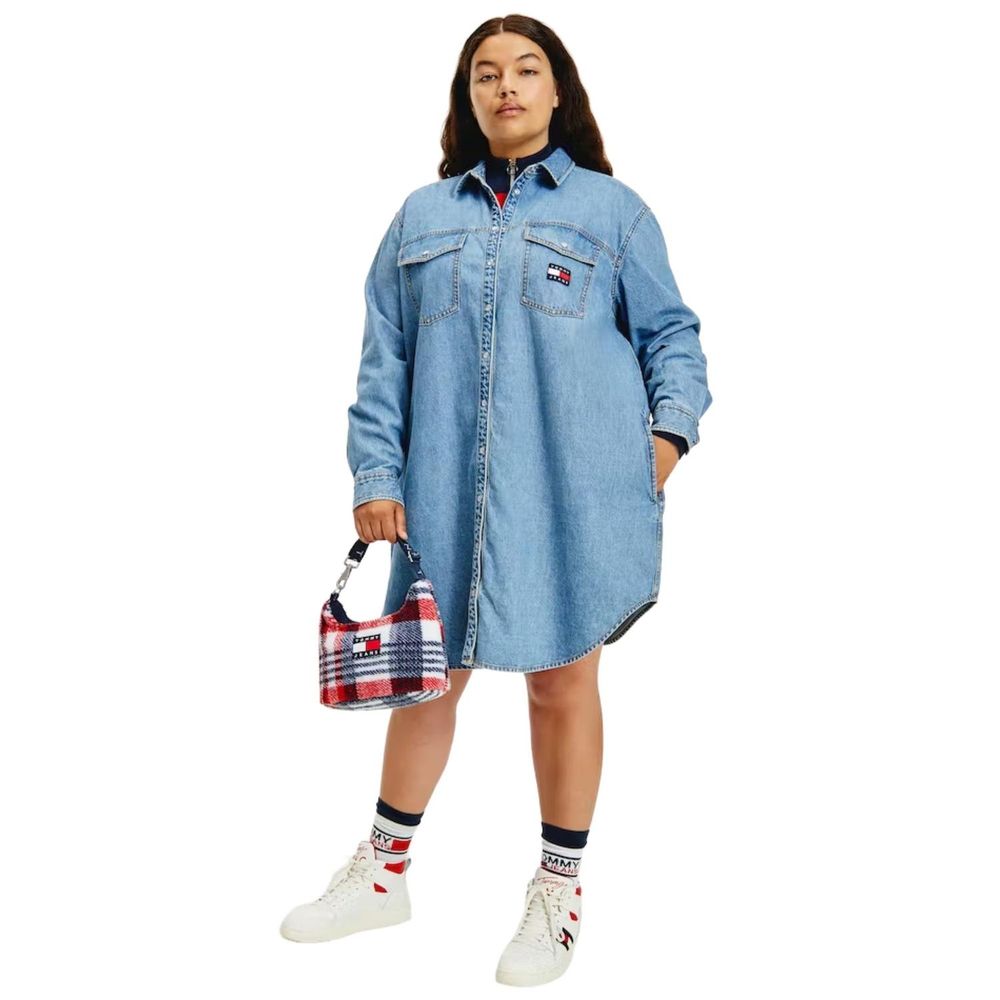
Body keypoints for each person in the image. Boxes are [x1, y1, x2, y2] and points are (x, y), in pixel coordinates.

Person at [280, 14, 712, 987]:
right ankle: (383, 872)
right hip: (439, 492)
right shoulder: (419, 218)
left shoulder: (613, 214)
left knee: (563, 682)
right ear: (467, 96)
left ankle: (558, 891)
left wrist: (661, 446)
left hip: (573, 495)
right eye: (486, 73)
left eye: (526, 69)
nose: (506, 86)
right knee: (427, 678)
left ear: (558, 90)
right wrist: (375, 476)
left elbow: (672, 339)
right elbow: (383, 360)